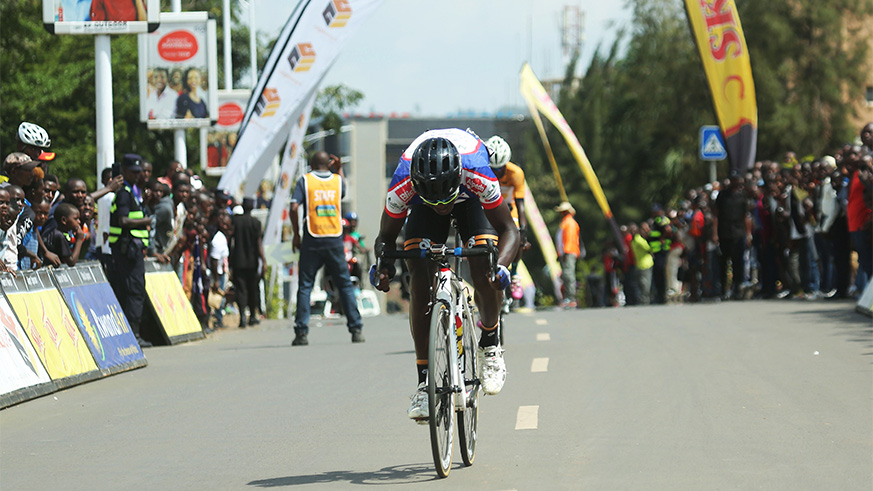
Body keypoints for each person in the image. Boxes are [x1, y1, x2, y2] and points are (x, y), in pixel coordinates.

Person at [369, 129, 518, 421]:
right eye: (435, 202)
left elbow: (509, 230)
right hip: (420, 204)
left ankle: (490, 344)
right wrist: (384, 267)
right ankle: (425, 384)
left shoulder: (478, 171)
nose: (442, 208)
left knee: (483, 265)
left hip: (470, 200)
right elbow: (385, 238)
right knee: (419, 275)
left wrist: (500, 266)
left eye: (445, 200)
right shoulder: (402, 181)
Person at [289, 151, 364, 345]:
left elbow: (294, 207)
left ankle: (301, 333)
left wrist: (296, 234)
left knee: (305, 285)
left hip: (312, 238)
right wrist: (339, 169)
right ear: (328, 164)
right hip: (334, 239)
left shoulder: (305, 181)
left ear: (311, 165)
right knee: (344, 284)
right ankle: (356, 329)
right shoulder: (337, 181)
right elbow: (343, 190)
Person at [107, 154, 152, 348]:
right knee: (134, 291)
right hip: (128, 251)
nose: (137, 175)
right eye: (133, 172)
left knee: (132, 291)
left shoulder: (132, 192)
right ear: (124, 171)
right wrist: (146, 221)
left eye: (138, 172)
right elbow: (123, 220)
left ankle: (133, 334)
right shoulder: (125, 193)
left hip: (130, 250)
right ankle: (134, 335)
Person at [485, 135, 530, 303]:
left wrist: (523, 234)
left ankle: (515, 274)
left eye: (500, 168)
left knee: (516, 232)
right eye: (494, 169)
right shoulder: (482, 171)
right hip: (488, 208)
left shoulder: (516, 173)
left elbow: (521, 206)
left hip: (509, 209)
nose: (497, 172)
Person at [229, 197, 265, 327]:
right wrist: (263, 260)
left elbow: (231, 241)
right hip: (252, 261)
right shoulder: (256, 223)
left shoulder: (235, 221)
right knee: (252, 288)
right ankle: (253, 315)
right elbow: (259, 243)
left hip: (238, 260)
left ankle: (242, 316)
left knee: (241, 289)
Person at [554, 201, 581, 308]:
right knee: (565, 275)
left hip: (568, 252)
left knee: (569, 275)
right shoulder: (565, 222)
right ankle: (568, 297)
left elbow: (569, 239)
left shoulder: (569, 222)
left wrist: (565, 252)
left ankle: (571, 298)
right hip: (565, 253)